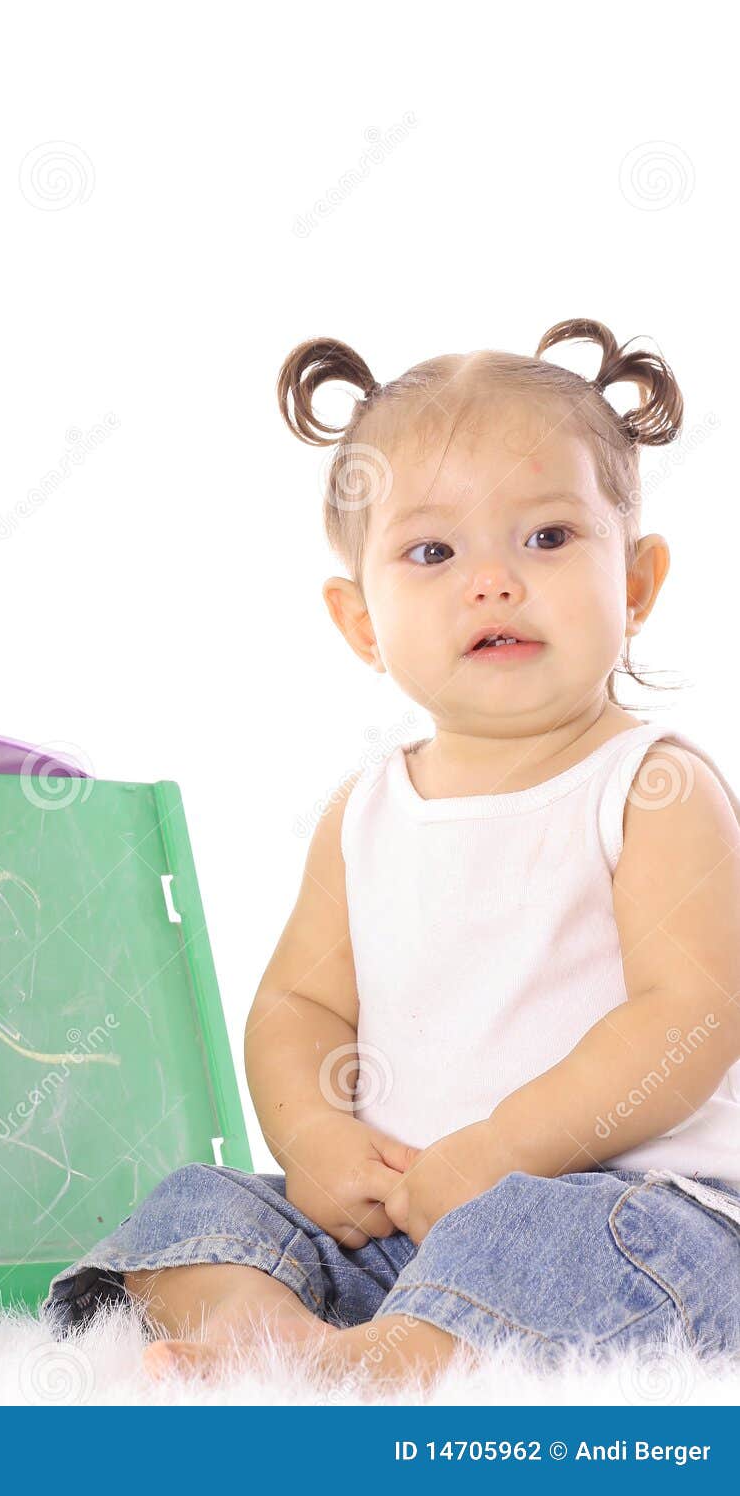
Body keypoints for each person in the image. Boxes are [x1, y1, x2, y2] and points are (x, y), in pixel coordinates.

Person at [41, 318, 740, 1392]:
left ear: (636, 582)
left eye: (547, 537)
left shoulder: (649, 784)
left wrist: (504, 1147)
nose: (492, 581)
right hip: (400, 1218)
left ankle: (384, 1359)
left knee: (578, 1236)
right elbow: (296, 1009)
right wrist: (318, 1138)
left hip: (618, 1197)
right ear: (360, 619)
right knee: (198, 1200)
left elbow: (687, 1012)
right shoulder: (364, 811)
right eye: (432, 552)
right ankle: (278, 1333)